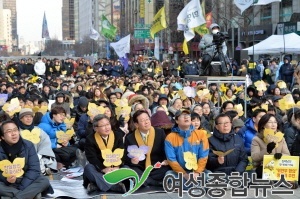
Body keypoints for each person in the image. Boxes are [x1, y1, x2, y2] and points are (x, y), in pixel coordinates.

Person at [0, 120, 53, 198]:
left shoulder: (28, 145)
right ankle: (30, 195)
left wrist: (22, 187)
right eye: (9, 131)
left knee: (44, 180)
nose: (13, 134)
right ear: (2, 137)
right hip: (7, 183)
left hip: (25, 181)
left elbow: (34, 169)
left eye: (15, 130)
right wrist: (6, 180)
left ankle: (17, 196)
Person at [83, 114, 129, 193]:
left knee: (127, 168)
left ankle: (97, 185)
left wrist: (117, 167)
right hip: (100, 170)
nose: (107, 127)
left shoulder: (118, 135)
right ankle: (114, 186)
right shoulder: (90, 139)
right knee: (88, 168)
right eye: (103, 126)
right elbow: (92, 158)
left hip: (115, 168)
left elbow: (123, 153)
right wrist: (104, 169)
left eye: (108, 124)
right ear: (96, 128)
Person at [165, 109, 210, 189]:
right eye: (182, 116)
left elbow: (204, 156)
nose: (186, 117)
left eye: (188, 115)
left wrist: (197, 173)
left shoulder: (201, 134)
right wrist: (185, 175)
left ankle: (190, 185)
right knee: (169, 176)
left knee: (209, 175)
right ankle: (200, 186)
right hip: (180, 173)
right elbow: (171, 159)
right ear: (177, 121)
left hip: (197, 172)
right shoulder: (170, 137)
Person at [124, 110, 170, 187]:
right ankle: (154, 183)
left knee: (167, 170)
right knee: (131, 171)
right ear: (136, 124)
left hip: (156, 167)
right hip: (140, 168)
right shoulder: (130, 137)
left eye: (147, 119)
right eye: (142, 120)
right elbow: (125, 156)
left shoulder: (160, 132)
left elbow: (165, 150)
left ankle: (144, 181)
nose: (146, 122)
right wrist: (131, 160)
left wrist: (165, 160)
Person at [18, 108, 57, 174]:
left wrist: (39, 155)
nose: (29, 119)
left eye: (30, 117)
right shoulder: (17, 131)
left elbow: (45, 143)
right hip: (23, 157)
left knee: (46, 161)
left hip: (39, 156)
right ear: (21, 119)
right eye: (26, 117)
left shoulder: (38, 130)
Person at [251, 114, 290, 179]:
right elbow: (255, 157)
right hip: (263, 167)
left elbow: (288, 155)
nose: (273, 124)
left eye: (275, 122)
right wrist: (267, 150)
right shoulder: (257, 139)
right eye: (270, 122)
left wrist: (280, 155)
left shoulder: (281, 138)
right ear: (263, 125)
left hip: (279, 167)